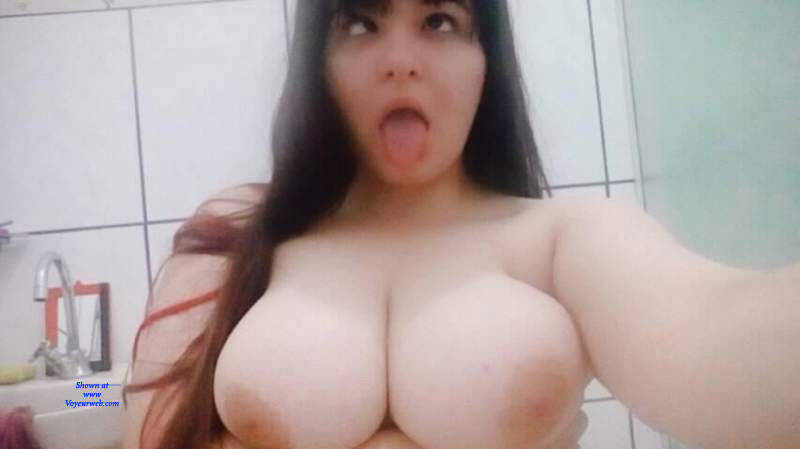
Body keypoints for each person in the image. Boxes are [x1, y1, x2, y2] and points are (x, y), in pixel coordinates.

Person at [122, 1, 800, 449]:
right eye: (360, 23)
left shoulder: (561, 238)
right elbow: (142, 429)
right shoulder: (235, 231)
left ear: (486, 61)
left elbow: (714, 333)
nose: (400, 60)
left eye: (440, 20)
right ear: (316, 64)